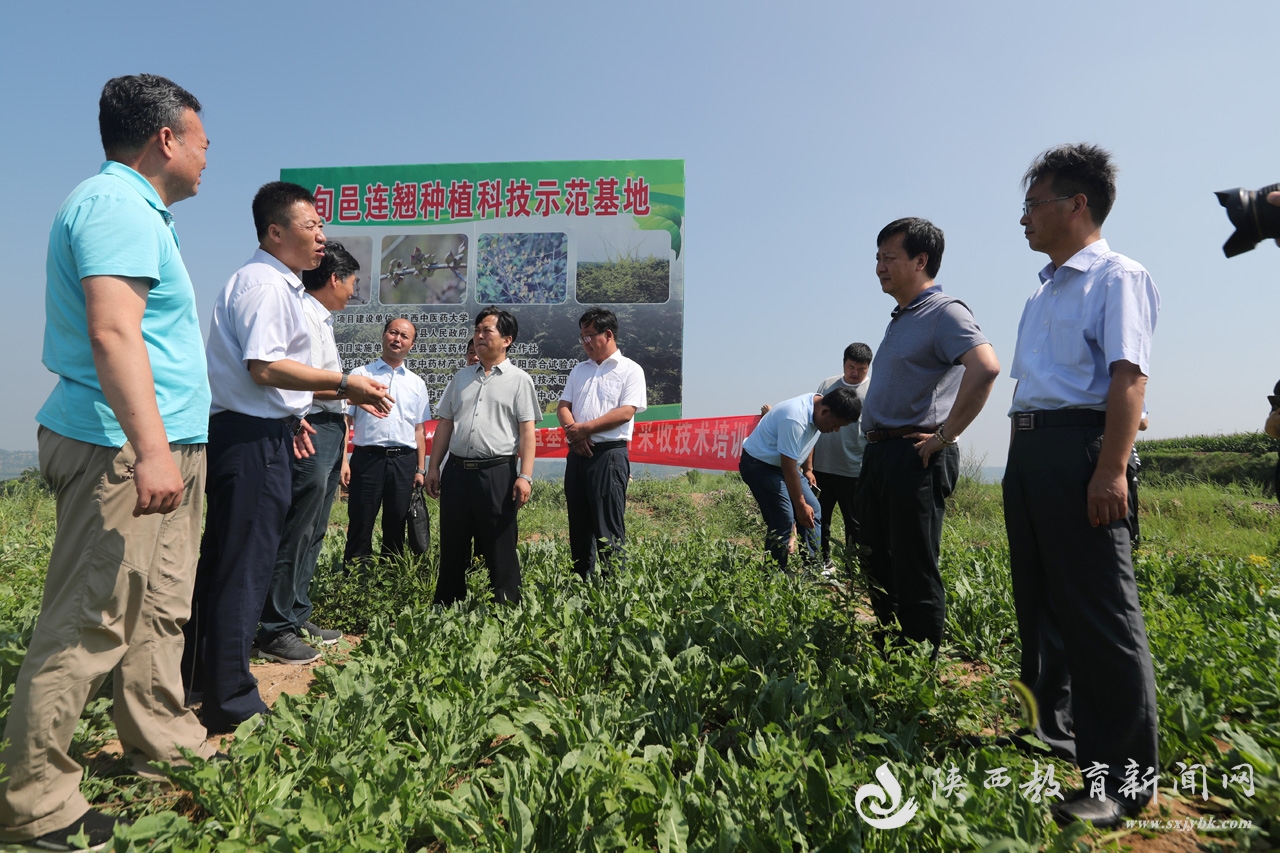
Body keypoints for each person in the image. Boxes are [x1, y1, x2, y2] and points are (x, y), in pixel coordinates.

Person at [0, 74, 214, 849]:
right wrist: (152, 449)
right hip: (122, 449)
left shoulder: (137, 210)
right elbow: (114, 334)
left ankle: (160, 741)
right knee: (87, 621)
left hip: (158, 447)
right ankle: (37, 804)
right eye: (200, 138)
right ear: (166, 139)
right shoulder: (118, 206)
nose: (206, 153)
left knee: (158, 609)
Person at [184, 183, 391, 729]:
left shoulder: (276, 285)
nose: (322, 237)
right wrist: (346, 384)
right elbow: (265, 367)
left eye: (321, 226)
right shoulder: (266, 286)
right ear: (276, 232)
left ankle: (200, 676)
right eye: (311, 226)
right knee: (244, 566)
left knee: (233, 559)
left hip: (261, 431)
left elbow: (268, 379)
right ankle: (230, 698)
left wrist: (292, 415)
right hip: (249, 441)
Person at [1003, 144, 1160, 827]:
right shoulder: (1044, 289)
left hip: (1080, 450)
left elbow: (1128, 378)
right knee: (1046, 605)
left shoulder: (1116, 277)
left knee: (1101, 614)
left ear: (1077, 205)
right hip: (1032, 448)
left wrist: (1109, 467)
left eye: (1033, 204)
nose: (1024, 219)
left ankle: (1126, 785)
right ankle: (1066, 738)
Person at [858, 217, 1000, 655]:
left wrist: (944, 436)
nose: (879, 266)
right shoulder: (902, 318)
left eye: (889, 258)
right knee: (876, 559)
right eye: (877, 258)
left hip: (914, 454)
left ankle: (916, 667)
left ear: (921, 260)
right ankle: (889, 652)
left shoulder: (945, 313)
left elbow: (986, 367)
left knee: (914, 564)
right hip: (882, 452)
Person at [256, 242, 361, 661]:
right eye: (352, 282)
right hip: (312, 426)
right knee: (297, 527)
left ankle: (296, 612)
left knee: (315, 527)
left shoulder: (322, 319)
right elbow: (290, 378)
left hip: (331, 426)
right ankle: (275, 627)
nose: (354, 292)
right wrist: (346, 386)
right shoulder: (300, 313)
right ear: (334, 279)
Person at [427, 307, 539, 605]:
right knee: (453, 541)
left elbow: (528, 432)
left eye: (486, 330)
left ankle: (505, 609)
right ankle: (447, 605)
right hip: (457, 471)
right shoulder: (461, 377)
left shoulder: (519, 380)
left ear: (507, 339)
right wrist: (433, 467)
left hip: (497, 473)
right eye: (477, 330)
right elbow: (445, 424)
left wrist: (525, 476)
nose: (479, 336)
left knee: (499, 544)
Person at [556, 307, 648, 578]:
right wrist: (575, 435)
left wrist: (583, 429)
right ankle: (580, 586)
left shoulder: (630, 370)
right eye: (582, 337)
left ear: (608, 334)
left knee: (608, 527)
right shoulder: (579, 370)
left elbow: (625, 412)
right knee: (579, 527)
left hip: (608, 456)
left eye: (589, 336)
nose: (585, 343)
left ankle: (612, 591)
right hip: (577, 455)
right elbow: (563, 406)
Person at [739, 388, 863, 572]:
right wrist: (799, 505)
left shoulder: (820, 409)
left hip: (783, 465)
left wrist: (808, 469)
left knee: (815, 510)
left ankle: (811, 569)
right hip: (760, 465)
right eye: (836, 424)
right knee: (784, 519)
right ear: (826, 412)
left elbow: (808, 440)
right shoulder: (795, 418)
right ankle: (774, 575)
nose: (835, 430)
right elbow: (788, 467)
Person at [341, 317, 431, 568]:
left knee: (396, 523)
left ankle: (390, 578)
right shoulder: (360, 375)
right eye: (393, 333)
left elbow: (419, 430)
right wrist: (343, 462)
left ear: (411, 344)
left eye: (404, 336)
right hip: (367, 459)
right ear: (383, 335)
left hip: (404, 462)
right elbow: (345, 422)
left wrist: (420, 470)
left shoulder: (416, 383)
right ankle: (356, 579)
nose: (397, 339)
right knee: (360, 520)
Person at [808, 343, 872, 569]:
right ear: (844, 364)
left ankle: (852, 566)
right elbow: (813, 423)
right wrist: (809, 465)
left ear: (868, 368)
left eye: (861, 369)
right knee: (820, 519)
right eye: (851, 367)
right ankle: (822, 562)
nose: (855, 373)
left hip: (855, 469)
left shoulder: (873, 390)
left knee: (854, 523)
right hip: (822, 467)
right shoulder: (827, 385)